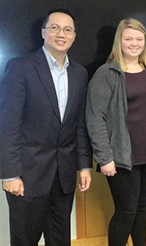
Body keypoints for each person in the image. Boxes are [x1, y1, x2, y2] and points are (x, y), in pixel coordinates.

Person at [0, 8, 92, 246]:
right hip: (27, 176)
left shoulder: (80, 74)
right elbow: (8, 124)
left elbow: (79, 125)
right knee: (25, 240)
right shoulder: (20, 68)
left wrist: (84, 165)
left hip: (63, 176)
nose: (61, 33)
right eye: (54, 27)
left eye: (67, 29)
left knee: (60, 240)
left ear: (74, 36)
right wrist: (9, 173)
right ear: (43, 32)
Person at [85, 18, 146, 246]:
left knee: (141, 208)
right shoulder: (106, 74)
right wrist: (105, 157)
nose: (134, 43)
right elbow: (94, 118)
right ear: (119, 41)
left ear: (145, 41)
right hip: (121, 156)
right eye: (128, 38)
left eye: (139, 39)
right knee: (126, 211)